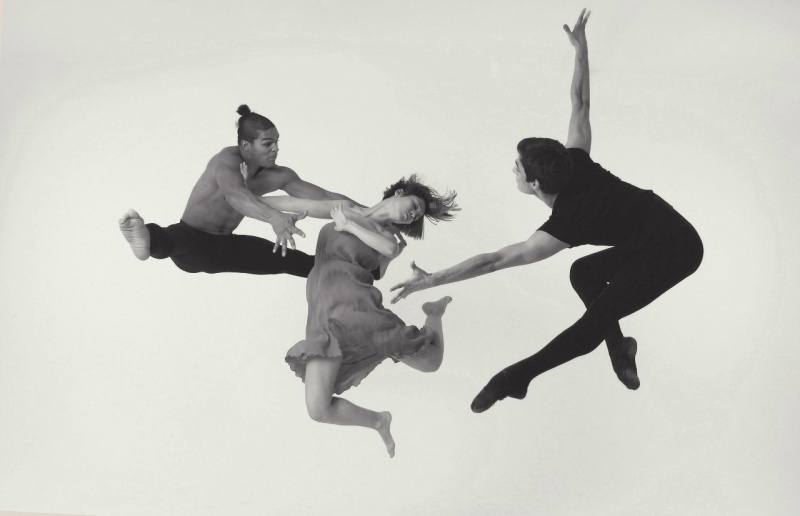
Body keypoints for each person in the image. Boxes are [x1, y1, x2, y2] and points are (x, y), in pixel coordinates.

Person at [389, 9, 704, 413]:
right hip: (656, 231)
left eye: (518, 168)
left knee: (592, 324)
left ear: (535, 185)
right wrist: (581, 50)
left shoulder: (568, 221)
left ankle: (516, 378)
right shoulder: (575, 160)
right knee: (583, 273)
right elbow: (580, 101)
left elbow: (494, 261)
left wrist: (433, 279)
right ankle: (621, 346)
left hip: (678, 250)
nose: (514, 170)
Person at [261, 175, 458, 457]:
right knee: (317, 409)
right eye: (414, 205)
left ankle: (434, 314)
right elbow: (293, 203)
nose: (413, 214)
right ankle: (378, 421)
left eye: (417, 216)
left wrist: (349, 226)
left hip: (357, 309)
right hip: (322, 311)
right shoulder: (344, 208)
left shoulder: (387, 238)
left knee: (430, 363)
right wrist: (246, 202)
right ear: (399, 192)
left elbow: (387, 251)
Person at [118, 105, 362, 278]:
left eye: (277, 142)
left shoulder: (280, 175)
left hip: (224, 248)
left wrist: (371, 213)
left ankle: (361, 270)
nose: (276, 149)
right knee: (177, 237)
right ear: (246, 145)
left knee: (291, 261)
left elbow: (327, 197)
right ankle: (148, 239)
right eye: (268, 143)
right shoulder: (226, 160)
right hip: (192, 242)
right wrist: (275, 217)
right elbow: (235, 196)